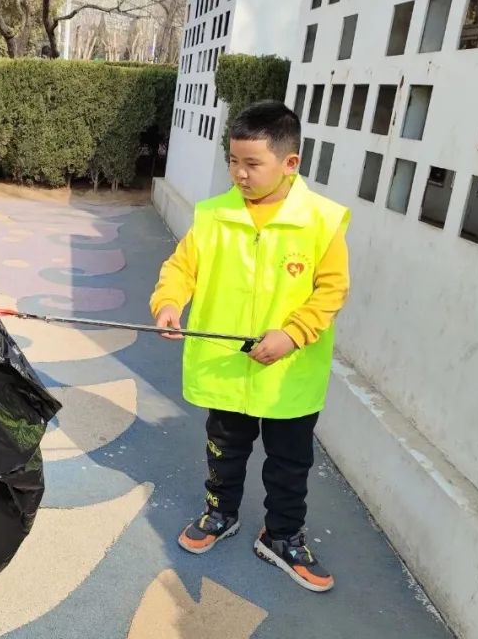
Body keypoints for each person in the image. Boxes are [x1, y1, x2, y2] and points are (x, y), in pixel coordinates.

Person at [150, 101, 350, 592]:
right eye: (233, 161)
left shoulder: (321, 221)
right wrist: (169, 302)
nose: (240, 173)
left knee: (290, 462)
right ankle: (220, 513)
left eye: (252, 163)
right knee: (224, 449)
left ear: (290, 162)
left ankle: (282, 535)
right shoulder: (213, 216)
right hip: (226, 368)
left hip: (288, 376)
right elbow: (181, 268)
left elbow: (331, 290)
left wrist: (293, 333)